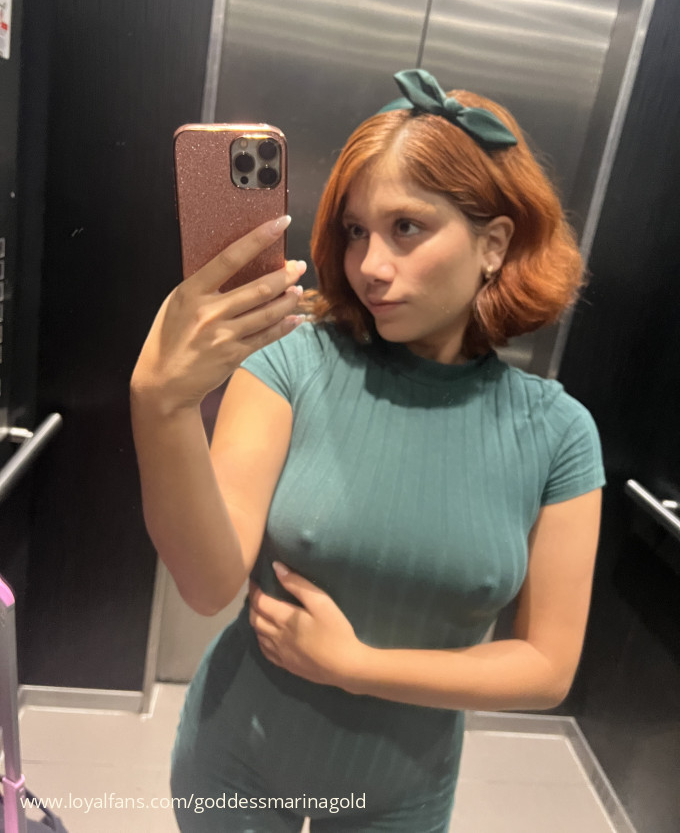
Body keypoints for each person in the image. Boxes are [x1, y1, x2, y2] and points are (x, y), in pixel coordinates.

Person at [130, 69, 605, 832]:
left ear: (493, 244)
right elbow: (207, 582)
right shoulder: (292, 363)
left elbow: (547, 666)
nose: (370, 266)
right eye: (355, 231)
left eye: (407, 228)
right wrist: (162, 406)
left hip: (402, 799)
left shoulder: (559, 434)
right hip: (234, 765)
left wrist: (356, 666)